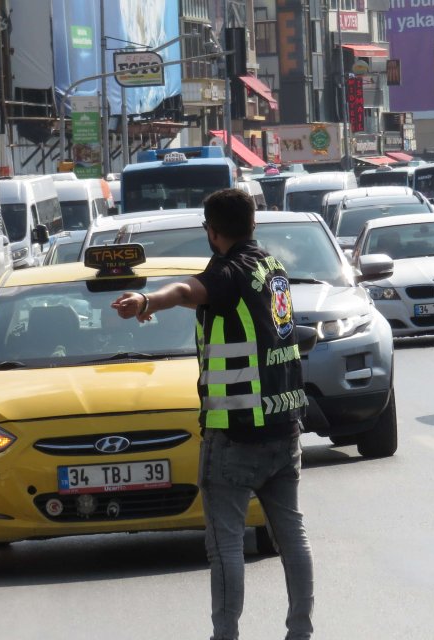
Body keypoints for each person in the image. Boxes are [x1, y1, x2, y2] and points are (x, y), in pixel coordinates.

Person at [111, 188, 314, 640]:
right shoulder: (271, 268)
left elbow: (186, 290)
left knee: (225, 546)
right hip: (283, 427)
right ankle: (300, 631)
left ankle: (225, 636)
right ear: (253, 225)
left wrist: (145, 302)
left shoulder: (228, 271)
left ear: (212, 231)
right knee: (292, 536)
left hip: (234, 431)